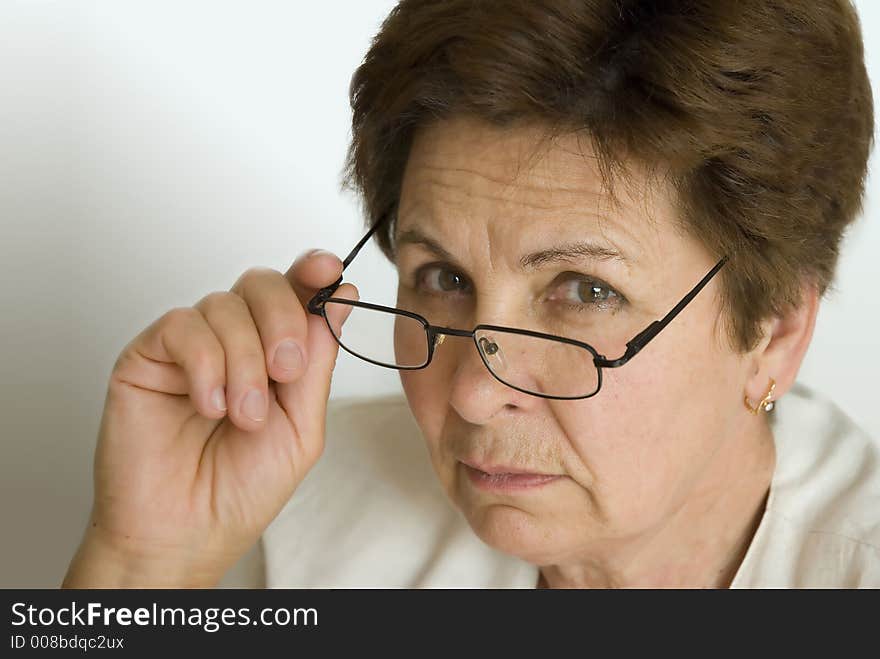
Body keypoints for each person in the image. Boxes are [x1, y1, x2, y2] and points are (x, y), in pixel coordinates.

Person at [63, 0, 879, 589]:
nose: (476, 392)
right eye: (444, 279)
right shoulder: (295, 508)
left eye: (583, 290)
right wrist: (145, 561)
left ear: (773, 330)